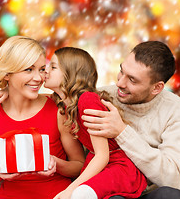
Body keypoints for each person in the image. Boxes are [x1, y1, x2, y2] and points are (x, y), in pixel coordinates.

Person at [0, 36, 85, 199]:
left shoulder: (57, 108)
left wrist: (56, 163)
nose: (38, 78)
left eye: (42, 69)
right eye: (29, 69)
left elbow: (79, 165)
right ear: (7, 74)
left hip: (55, 194)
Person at [80, 41, 180, 199]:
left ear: (156, 88)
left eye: (132, 80)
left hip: (149, 193)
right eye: (121, 71)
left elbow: (174, 179)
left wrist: (122, 132)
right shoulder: (101, 97)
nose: (119, 83)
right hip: (108, 188)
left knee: (170, 195)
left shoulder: (176, 110)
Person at [44, 47, 147, 199]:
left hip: (117, 166)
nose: (46, 71)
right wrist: (7, 92)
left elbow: (102, 155)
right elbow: (30, 98)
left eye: (53, 67)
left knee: (79, 193)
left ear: (70, 73)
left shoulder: (87, 100)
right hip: (100, 165)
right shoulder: (64, 104)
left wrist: (69, 190)